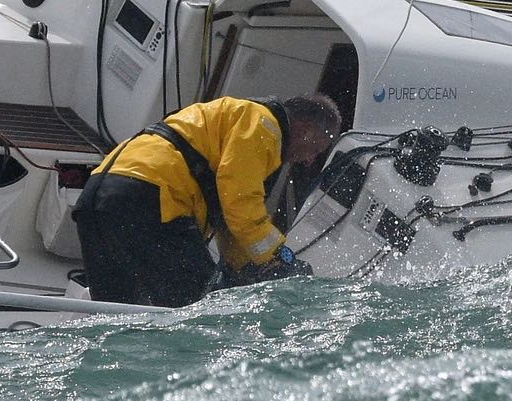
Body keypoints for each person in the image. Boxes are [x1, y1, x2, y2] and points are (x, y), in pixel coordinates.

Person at [76, 92, 343, 306]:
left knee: (114, 314)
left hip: (99, 197)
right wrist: (278, 260)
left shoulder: (233, 118)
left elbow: (230, 220)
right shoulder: (264, 125)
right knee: (196, 309)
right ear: (306, 127)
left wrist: (244, 267)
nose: (309, 161)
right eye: (317, 149)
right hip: (151, 197)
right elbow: (240, 204)